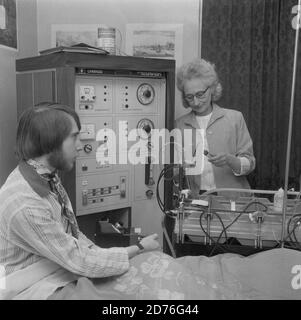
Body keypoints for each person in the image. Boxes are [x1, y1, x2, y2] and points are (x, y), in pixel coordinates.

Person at [0, 102, 160, 298]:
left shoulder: (46, 178)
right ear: (51, 142)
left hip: (53, 269)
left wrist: (108, 255)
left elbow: (73, 237)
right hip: (28, 286)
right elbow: (76, 259)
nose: (80, 145)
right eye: (74, 136)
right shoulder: (25, 204)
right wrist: (137, 249)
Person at [174, 58, 255, 196]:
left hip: (234, 201)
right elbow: (175, 173)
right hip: (197, 200)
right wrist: (180, 167)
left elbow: (250, 164)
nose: (196, 101)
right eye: (189, 97)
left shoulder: (235, 118)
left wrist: (231, 160)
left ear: (211, 88)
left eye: (200, 94)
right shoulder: (179, 125)